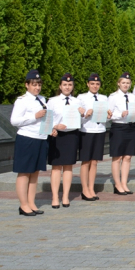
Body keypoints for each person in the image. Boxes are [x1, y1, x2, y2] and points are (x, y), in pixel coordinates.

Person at [10, 69, 50, 215]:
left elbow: (45, 119)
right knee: (24, 173)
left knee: (35, 173)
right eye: (34, 85)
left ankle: (31, 203)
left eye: (39, 85)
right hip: (26, 139)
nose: (37, 88)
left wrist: (50, 129)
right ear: (27, 85)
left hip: (40, 139)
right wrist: (35, 116)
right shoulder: (22, 101)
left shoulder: (43, 99)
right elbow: (14, 121)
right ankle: (23, 205)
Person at [47, 73, 82, 208]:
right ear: (60, 86)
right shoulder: (52, 101)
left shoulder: (77, 102)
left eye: (70, 85)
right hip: (57, 135)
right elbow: (47, 120)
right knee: (56, 167)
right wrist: (54, 126)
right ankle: (55, 197)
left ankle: (65, 196)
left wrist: (83, 113)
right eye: (65, 85)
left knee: (68, 166)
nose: (67, 87)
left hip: (71, 135)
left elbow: (82, 120)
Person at [78, 73, 111, 201]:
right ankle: (84, 189)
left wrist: (108, 117)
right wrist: (86, 114)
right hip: (87, 130)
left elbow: (106, 119)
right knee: (85, 161)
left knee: (94, 161)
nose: (95, 86)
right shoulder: (81, 98)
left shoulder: (103, 98)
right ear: (88, 84)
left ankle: (91, 188)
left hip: (99, 130)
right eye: (92, 84)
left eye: (97, 84)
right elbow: (77, 118)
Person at [108, 72, 135, 195]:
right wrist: (120, 114)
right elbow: (108, 115)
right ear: (118, 83)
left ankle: (124, 183)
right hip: (118, 127)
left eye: (127, 83)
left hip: (131, 127)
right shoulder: (113, 97)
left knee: (127, 156)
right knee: (117, 157)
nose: (125, 85)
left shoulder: (132, 97)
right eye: (123, 83)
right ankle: (117, 184)